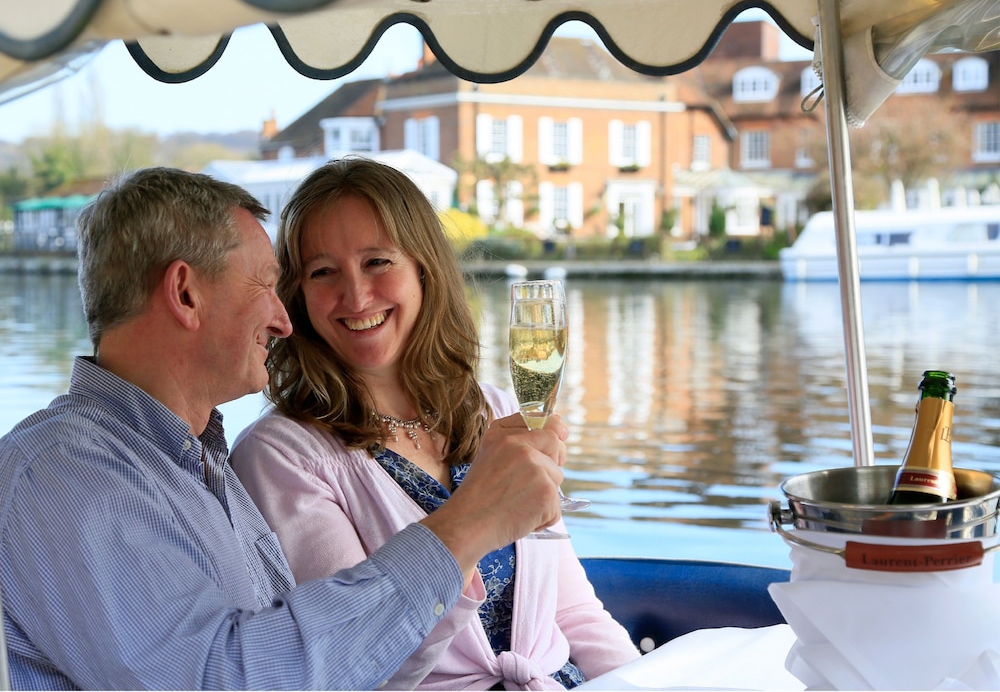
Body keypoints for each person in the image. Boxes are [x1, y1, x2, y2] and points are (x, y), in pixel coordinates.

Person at [0, 166, 568, 690]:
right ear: (186, 293)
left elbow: (343, 670)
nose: (283, 318)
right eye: (265, 285)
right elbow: (224, 679)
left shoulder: (195, 465)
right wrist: (466, 529)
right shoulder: (65, 474)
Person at [230, 157, 639, 689]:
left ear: (423, 268)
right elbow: (363, 665)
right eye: (323, 271)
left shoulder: (491, 411)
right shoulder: (280, 456)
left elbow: (576, 615)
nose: (355, 297)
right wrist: (476, 521)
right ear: (299, 297)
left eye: (378, 261)